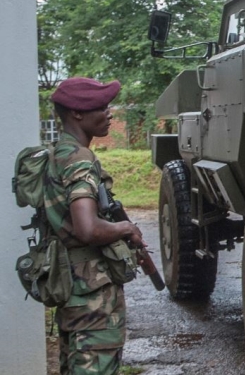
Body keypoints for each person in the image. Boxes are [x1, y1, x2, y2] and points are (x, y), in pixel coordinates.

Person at [47, 77, 146, 374]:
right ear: (77, 113)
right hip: (93, 297)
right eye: (101, 107)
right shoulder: (80, 160)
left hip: (71, 289)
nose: (109, 114)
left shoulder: (56, 154)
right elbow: (87, 228)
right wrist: (126, 229)